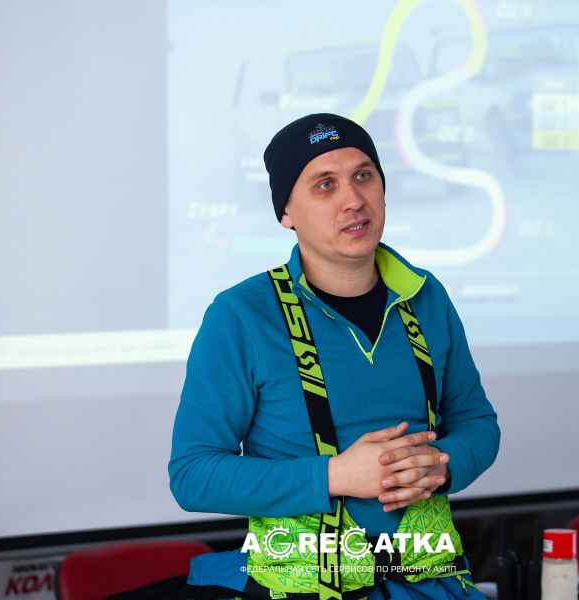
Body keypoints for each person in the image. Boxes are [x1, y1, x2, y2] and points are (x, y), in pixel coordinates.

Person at [169, 113, 500, 600]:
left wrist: (445, 464)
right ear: (286, 213)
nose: (353, 199)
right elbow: (192, 475)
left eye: (363, 175)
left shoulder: (427, 296)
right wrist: (335, 476)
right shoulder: (242, 315)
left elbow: (477, 423)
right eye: (325, 184)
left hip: (436, 585)